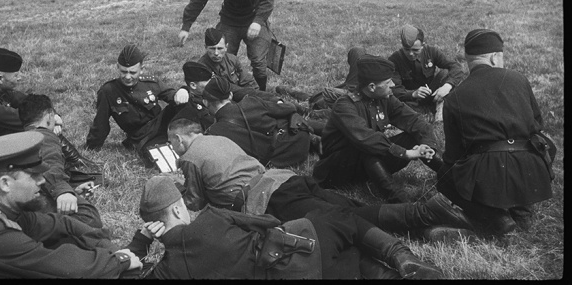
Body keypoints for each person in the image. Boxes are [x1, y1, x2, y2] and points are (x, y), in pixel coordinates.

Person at [167, 118, 473, 241]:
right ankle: (424, 229)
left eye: (173, 143)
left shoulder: (190, 156)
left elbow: (195, 201)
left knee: (340, 218)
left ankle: (425, 213)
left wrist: (175, 184)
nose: (174, 148)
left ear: (181, 138)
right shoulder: (216, 137)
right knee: (342, 203)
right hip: (284, 179)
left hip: (267, 197)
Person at [125, 176, 445, 279]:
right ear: (179, 207)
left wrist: (141, 243)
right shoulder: (211, 216)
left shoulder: (170, 270)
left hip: (299, 276)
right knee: (337, 217)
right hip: (298, 249)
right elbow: (269, 222)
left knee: (345, 260)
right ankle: (400, 255)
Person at [0, 132, 142, 278]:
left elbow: (63, 224)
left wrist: (109, 248)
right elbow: (64, 267)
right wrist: (120, 261)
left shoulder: (3, 211)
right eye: (34, 175)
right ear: (5, 184)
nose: (42, 181)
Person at [437, 29, 555, 235]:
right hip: (530, 165)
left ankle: (497, 217)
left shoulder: (454, 97)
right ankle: (523, 207)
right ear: (494, 57)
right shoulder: (519, 78)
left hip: (488, 172)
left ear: (468, 59)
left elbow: (453, 155)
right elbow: (537, 124)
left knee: (443, 177)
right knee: (544, 143)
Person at [312, 55, 443, 203]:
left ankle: (448, 174)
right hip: (336, 170)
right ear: (372, 87)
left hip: (364, 164)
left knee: (411, 136)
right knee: (368, 148)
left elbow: (415, 120)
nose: (393, 84)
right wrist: (404, 153)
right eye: (388, 82)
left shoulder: (384, 98)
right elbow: (366, 139)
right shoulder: (345, 105)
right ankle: (401, 201)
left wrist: (428, 146)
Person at [0, 48, 88, 180]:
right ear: (0, 78)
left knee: (40, 129)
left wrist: (52, 117)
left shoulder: (5, 93)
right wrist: (50, 122)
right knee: (38, 131)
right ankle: (76, 163)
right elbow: (29, 119)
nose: (20, 77)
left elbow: (37, 104)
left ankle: (77, 162)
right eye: (15, 75)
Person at [178, 0, 274, 91]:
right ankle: (226, 93)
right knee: (221, 59)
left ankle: (262, 94)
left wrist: (258, 21)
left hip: (253, 19)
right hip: (230, 21)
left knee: (258, 60)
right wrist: (186, 26)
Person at [18, 94, 103, 228]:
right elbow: (50, 164)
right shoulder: (44, 136)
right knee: (89, 217)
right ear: (49, 115)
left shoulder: (19, 138)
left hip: (15, 199)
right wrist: (63, 191)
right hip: (29, 207)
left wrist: (73, 189)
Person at [85, 43, 186, 151]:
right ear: (117, 67)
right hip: (141, 137)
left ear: (141, 69)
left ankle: (198, 134)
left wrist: (184, 90)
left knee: (185, 103)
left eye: (133, 72)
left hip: (161, 125)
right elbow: (101, 123)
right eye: (123, 72)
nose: (128, 77)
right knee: (157, 154)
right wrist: (91, 147)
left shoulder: (150, 82)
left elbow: (172, 96)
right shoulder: (108, 91)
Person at [202, 76, 316, 167]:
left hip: (278, 161)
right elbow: (289, 108)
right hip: (299, 142)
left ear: (205, 102)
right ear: (231, 95)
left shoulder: (213, 133)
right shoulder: (250, 102)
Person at [388, 24, 466, 122]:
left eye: (415, 50)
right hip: (410, 99)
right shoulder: (394, 60)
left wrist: (447, 86)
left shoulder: (431, 52)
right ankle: (425, 113)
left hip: (431, 94)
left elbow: (456, 67)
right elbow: (394, 89)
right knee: (397, 105)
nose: (411, 54)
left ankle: (438, 107)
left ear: (423, 45)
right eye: (407, 50)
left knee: (445, 73)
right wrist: (413, 94)